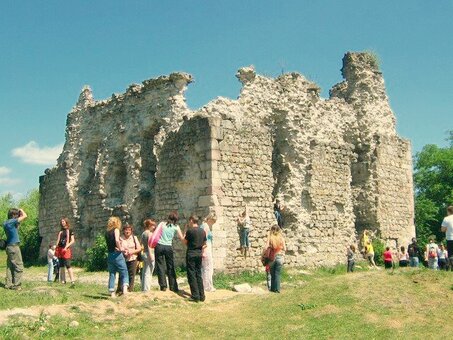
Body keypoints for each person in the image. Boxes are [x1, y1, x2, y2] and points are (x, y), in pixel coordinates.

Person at [155, 211, 184, 292]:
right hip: (168, 246)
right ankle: (173, 286)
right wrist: (185, 230)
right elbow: (181, 238)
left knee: (160, 266)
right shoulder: (176, 227)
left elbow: (156, 233)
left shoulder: (162, 224)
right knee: (170, 266)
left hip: (159, 245)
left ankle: (163, 286)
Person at [3, 208, 27, 290]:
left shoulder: (6, 223)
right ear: (13, 215)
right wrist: (21, 209)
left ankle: (8, 284)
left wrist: (19, 216)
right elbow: (25, 216)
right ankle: (17, 285)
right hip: (14, 247)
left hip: (9, 247)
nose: (17, 216)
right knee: (19, 266)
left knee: (10, 266)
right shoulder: (12, 221)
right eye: (16, 214)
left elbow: (17, 225)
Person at [184, 215, 207, 302]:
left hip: (191, 253)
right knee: (198, 274)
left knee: (191, 274)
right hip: (199, 254)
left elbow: (184, 242)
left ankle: (195, 295)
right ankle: (202, 295)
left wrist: (185, 231)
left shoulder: (190, 231)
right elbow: (205, 243)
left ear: (191, 221)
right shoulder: (202, 231)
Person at [105, 216, 129, 298]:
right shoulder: (116, 230)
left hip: (110, 254)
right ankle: (125, 290)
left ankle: (112, 293)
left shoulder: (107, 232)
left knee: (112, 274)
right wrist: (120, 248)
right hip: (117, 254)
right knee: (124, 271)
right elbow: (117, 240)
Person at [117, 224, 141, 293]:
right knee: (122, 274)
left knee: (131, 275)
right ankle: (120, 290)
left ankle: (130, 290)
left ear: (131, 231)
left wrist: (132, 252)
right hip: (123, 258)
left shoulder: (134, 238)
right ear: (123, 231)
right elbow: (117, 248)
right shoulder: (120, 238)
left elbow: (139, 248)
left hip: (133, 258)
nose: (127, 231)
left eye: (129, 230)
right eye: (126, 230)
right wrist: (123, 251)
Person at [55, 217, 76, 286]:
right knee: (61, 266)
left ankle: (72, 280)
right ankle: (63, 281)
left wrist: (66, 247)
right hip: (60, 249)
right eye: (61, 221)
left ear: (66, 222)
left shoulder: (70, 230)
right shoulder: (60, 231)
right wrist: (56, 249)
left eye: (63, 221)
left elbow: (72, 240)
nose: (62, 222)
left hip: (66, 249)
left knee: (68, 265)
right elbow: (58, 241)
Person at [266, 225, 286, 293]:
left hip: (272, 257)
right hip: (280, 256)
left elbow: (266, 247)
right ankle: (277, 289)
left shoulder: (270, 237)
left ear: (272, 230)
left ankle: (272, 288)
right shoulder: (281, 238)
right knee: (278, 273)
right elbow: (285, 248)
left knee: (272, 273)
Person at [200, 213, 216, 292]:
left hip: (207, 247)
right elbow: (204, 239)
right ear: (210, 219)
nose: (214, 223)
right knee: (208, 267)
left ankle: (206, 285)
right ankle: (208, 286)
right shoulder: (205, 226)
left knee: (206, 267)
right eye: (213, 221)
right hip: (206, 247)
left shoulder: (204, 225)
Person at [141, 219, 156, 292]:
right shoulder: (149, 233)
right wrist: (151, 255)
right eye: (153, 225)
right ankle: (146, 289)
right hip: (149, 253)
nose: (154, 227)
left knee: (145, 272)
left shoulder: (143, 233)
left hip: (144, 253)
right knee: (149, 272)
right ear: (149, 225)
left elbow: (142, 244)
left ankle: (143, 288)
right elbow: (149, 245)